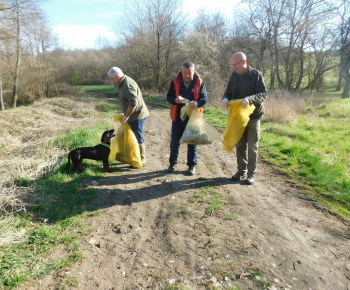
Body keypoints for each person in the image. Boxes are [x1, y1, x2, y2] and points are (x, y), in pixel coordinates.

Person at [222, 52, 267, 185]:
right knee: (240, 144)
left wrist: (250, 99)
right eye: (232, 65)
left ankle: (251, 174)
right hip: (239, 117)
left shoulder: (255, 75)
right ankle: (240, 171)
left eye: (236, 64)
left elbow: (263, 94)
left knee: (252, 146)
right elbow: (228, 91)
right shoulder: (234, 76)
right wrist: (225, 98)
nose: (234, 67)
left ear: (243, 62)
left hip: (253, 116)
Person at [166, 61, 208, 175]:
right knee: (175, 141)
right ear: (182, 71)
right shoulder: (175, 81)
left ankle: (191, 166)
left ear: (193, 71)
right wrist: (175, 100)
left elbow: (204, 99)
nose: (187, 75)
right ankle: (172, 164)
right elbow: (169, 97)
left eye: (189, 73)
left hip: (193, 117)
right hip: (178, 117)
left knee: (192, 142)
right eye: (185, 73)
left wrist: (197, 103)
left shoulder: (200, 82)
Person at [108, 67, 149, 166]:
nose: (112, 81)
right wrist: (124, 113)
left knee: (137, 136)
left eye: (112, 79)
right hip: (131, 115)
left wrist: (126, 115)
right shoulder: (122, 83)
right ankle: (132, 157)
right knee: (131, 137)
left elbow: (133, 103)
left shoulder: (128, 84)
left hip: (137, 116)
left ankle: (142, 159)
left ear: (117, 76)